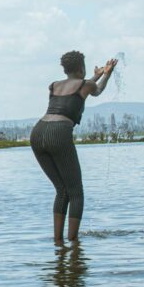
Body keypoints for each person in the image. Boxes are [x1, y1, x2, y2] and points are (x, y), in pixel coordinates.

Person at [31, 51, 117, 244]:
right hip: (59, 133)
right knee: (76, 192)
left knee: (62, 190)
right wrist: (107, 74)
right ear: (81, 68)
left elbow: (79, 85)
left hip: (38, 133)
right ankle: (73, 241)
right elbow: (97, 89)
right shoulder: (86, 84)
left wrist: (97, 74)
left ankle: (58, 242)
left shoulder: (55, 85)